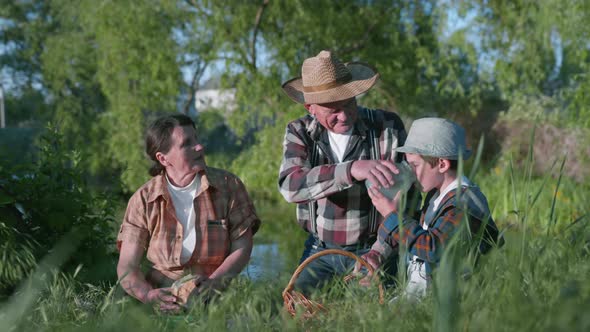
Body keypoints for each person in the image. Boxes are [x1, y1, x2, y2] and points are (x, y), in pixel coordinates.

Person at [278, 50, 416, 294]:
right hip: (319, 249)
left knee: (379, 318)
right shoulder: (299, 132)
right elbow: (291, 186)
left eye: (349, 103)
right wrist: (352, 169)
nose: (344, 116)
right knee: (295, 312)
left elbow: (408, 198)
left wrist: (379, 252)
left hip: (376, 246)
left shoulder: (387, 126)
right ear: (311, 108)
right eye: (332, 109)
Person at [116, 114, 260, 312]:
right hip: (162, 300)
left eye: (197, 139)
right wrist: (148, 296)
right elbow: (127, 267)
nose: (199, 147)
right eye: (187, 144)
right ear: (163, 158)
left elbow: (242, 247)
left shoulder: (228, 186)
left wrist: (214, 284)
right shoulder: (143, 200)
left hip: (217, 296)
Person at [355, 117, 504, 300]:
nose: (410, 172)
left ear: (442, 164)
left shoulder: (464, 202)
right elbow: (416, 228)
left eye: (415, 165)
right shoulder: (436, 195)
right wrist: (378, 252)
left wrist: (391, 215)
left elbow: (434, 247)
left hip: (452, 303)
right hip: (421, 297)